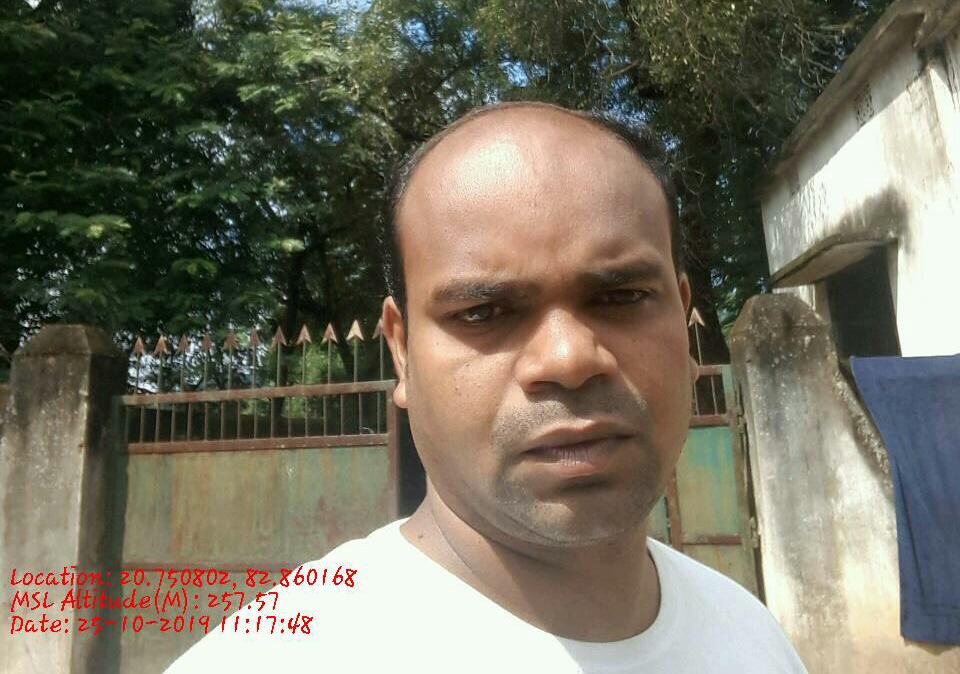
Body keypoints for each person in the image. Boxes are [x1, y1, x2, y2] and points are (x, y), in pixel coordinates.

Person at [167, 101, 808, 673]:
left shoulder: (748, 629)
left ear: (683, 317)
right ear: (402, 351)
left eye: (622, 297)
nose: (569, 359)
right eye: (481, 312)